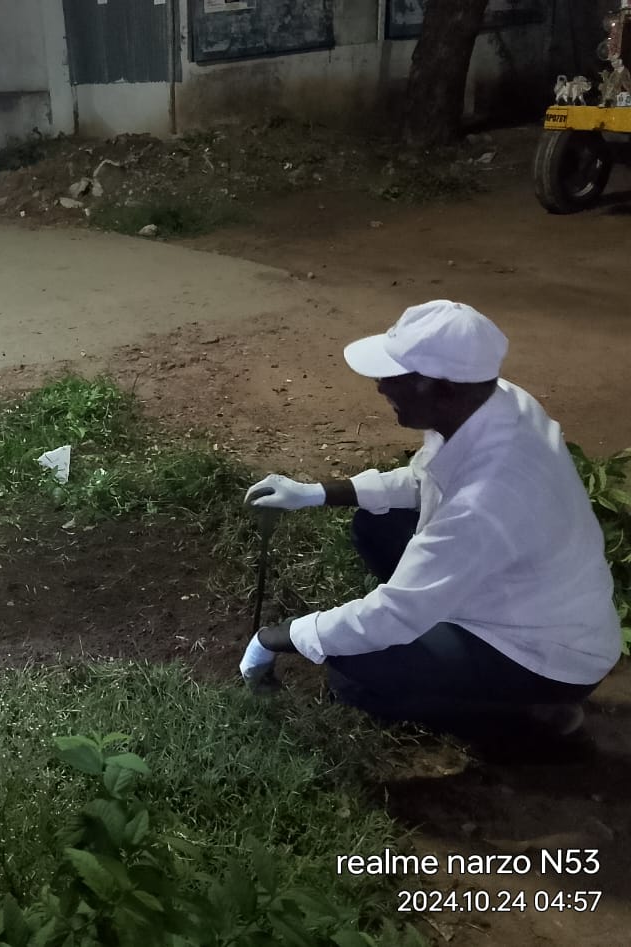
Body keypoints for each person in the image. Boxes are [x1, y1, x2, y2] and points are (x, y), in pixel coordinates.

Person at [238, 300, 622, 745]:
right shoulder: (492, 402)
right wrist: (316, 493)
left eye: (394, 378)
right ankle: (456, 653)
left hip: (545, 655)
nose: (380, 387)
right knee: (375, 525)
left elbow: (393, 614)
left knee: (353, 675)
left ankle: (531, 717)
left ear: (442, 389)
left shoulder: (487, 498)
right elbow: (427, 479)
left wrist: (277, 637)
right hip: (528, 597)